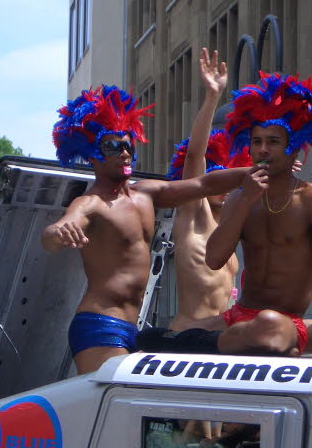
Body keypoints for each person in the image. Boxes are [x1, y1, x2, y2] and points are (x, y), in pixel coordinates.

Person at [138, 72, 312, 358]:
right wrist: (245, 201)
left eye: (273, 142)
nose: (263, 149)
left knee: (267, 324)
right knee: (190, 326)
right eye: (256, 142)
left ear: (293, 150)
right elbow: (214, 259)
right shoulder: (240, 198)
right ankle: (191, 339)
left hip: (283, 323)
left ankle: (186, 341)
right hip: (237, 317)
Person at [42, 85, 255, 374]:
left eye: (128, 144)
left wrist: (255, 172)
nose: (125, 152)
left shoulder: (145, 195)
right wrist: (58, 232)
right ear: (91, 154)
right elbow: (57, 232)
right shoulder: (91, 203)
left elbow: (203, 184)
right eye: (113, 146)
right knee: (117, 406)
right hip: (100, 325)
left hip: (133, 327)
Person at [166, 48, 252, 331]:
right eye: (218, 178)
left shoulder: (231, 225)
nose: (224, 188)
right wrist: (213, 96)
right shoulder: (192, 213)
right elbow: (194, 156)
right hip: (186, 340)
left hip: (219, 344)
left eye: (231, 180)